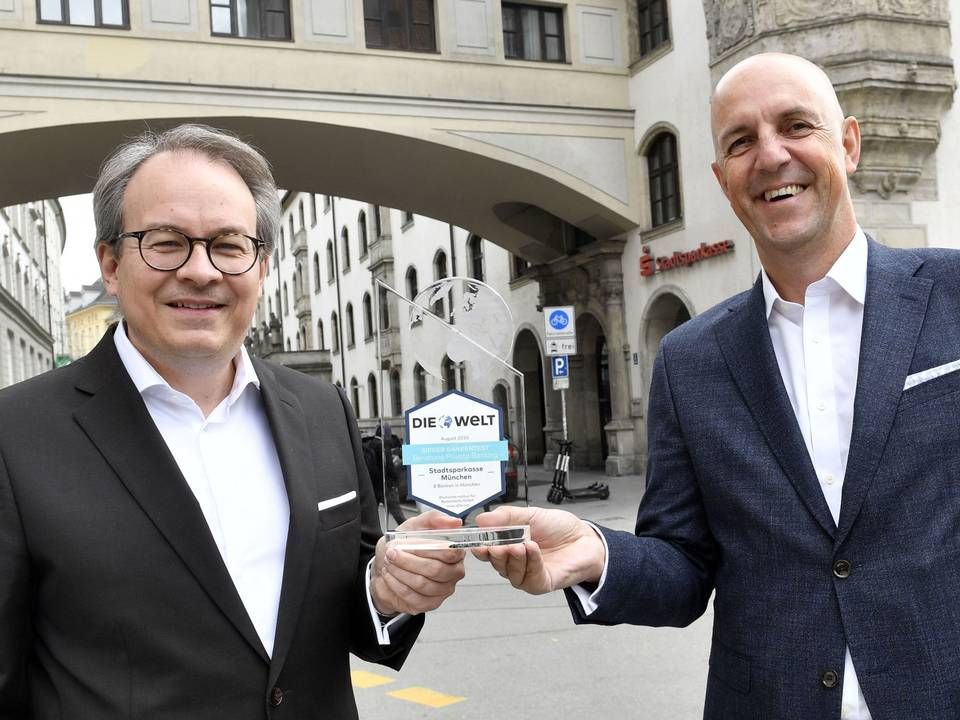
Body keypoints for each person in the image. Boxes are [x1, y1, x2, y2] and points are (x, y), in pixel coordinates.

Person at [475, 53, 960, 719]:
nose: (770, 155)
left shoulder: (952, 294)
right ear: (724, 180)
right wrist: (596, 555)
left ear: (848, 144)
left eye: (796, 126)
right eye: (741, 142)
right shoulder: (690, 360)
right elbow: (684, 567)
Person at [0, 124, 465, 718]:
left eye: (228, 244)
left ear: (262, 266)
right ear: (111, 265)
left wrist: (390, 590)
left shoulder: (322, 410)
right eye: (166, 242)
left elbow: (350, 590)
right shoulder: (16, 437)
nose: (201, 270)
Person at [362, 422, 406, 526]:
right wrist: (394, 482)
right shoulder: (382, 446)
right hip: (386, 486)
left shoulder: (369, 443)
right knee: (397, 514)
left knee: (372, 515)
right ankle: (407, 532)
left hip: (373, 486)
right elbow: (388, 467)